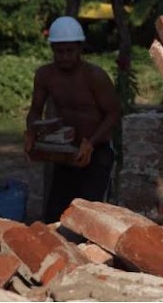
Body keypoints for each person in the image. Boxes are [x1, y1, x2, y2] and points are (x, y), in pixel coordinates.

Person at [24, 16, 120, 223]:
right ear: (52, 49)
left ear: (80, 48)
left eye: (70, 51)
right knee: (55, 217)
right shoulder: (45, 75)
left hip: (97, 151)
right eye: (59, 51)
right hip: (65, 152)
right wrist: (31, 132)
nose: (64, 56)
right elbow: (35, 110)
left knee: (90, 216)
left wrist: (91, 143)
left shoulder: (94, 76)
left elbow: (113, 113)